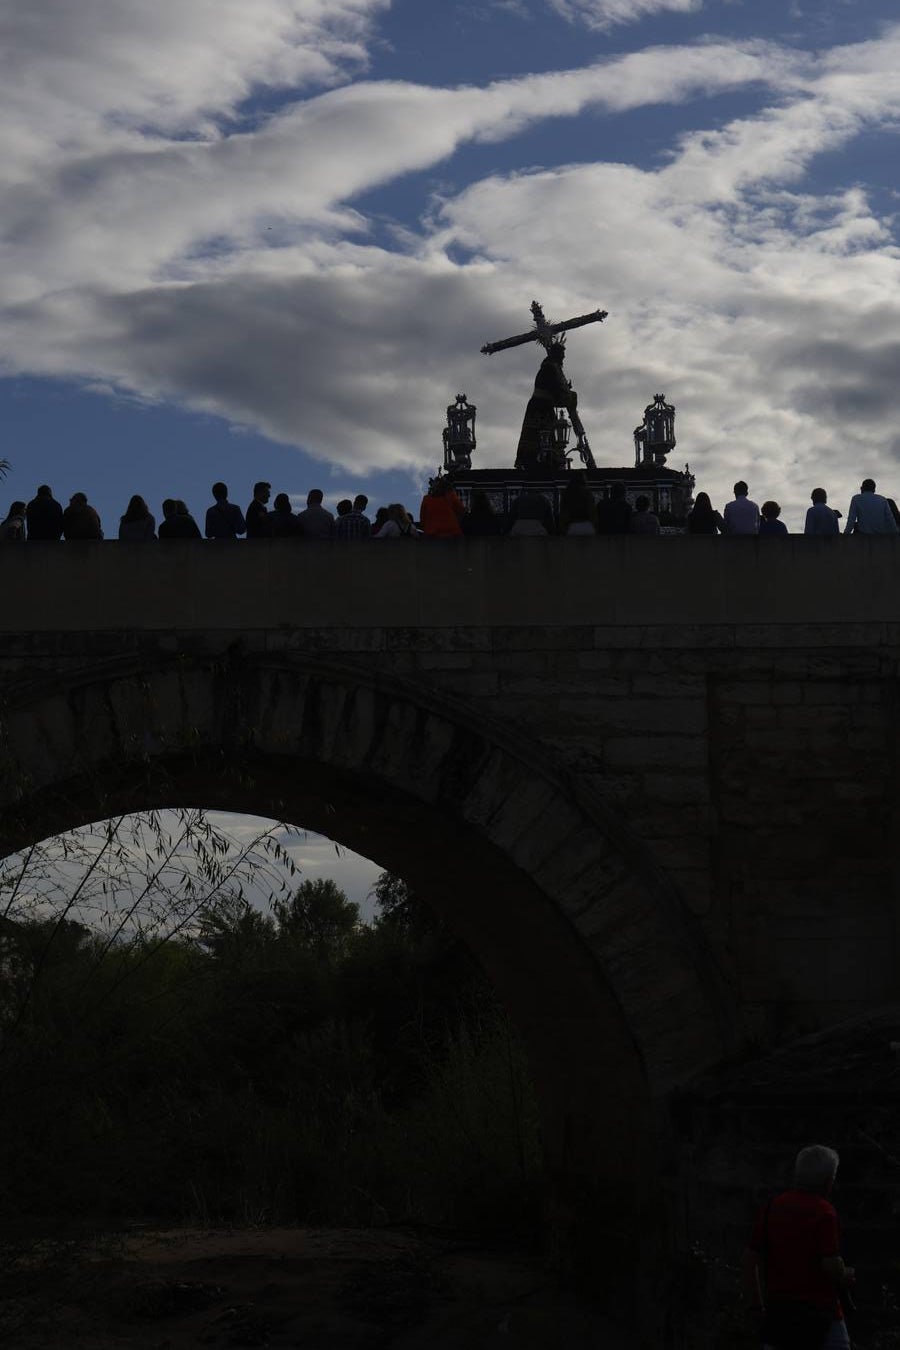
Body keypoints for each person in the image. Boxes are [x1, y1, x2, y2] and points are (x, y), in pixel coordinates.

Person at [743, 1145, 853, 1350]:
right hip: (820, 1313)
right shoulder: (824, 1212)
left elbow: (750, 1260)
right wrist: (844, 1274)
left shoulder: (772, 1207)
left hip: (779, 1312)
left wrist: (756, 1305)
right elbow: (830, 1264)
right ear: (828, 1181)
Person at [516, 341, 577, 472]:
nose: (564, 357)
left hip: (544, 406)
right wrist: (567, 394)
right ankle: (539, 461)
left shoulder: (551, 367)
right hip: (540, 407)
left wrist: (565, 390)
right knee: (540, 437)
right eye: (562, 354)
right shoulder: (550, 368)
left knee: (546, 438)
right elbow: (556, 390)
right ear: (557, 354)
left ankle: (546, 460)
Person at [559, 471, 597, 536]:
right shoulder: (587, 493)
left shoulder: (567, 494)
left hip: (572, 525)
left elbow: (563, 513)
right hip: (587, 525)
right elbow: (592, 512)